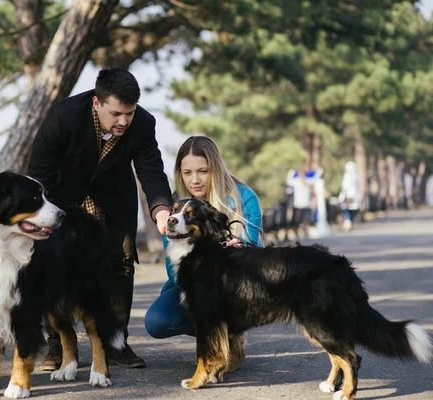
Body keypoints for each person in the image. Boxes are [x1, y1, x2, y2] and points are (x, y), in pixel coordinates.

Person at [27, 68, 172, 369]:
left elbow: (151, 171)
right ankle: (59, 347)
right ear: (97, 102)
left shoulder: (143, 123)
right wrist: (40, 217)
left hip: (114, 198)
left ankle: (115, 343)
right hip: (62, 200)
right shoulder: (62, 116)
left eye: (129, 113)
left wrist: (161, 210)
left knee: (121, 260)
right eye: (116, 113)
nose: (123, 121)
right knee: (55, 270)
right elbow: (40, 172)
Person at [144, 135, 263, 373]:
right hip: (191, 283)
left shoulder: (243, 198)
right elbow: (172, 260)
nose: (195, 180)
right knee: (157, 322)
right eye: (187, 173)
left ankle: (231, 339)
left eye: (203, 171)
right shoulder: (177, 204)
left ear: (215, 169)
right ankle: (215, 339)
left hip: (235, 287)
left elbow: (252, 251)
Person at [286, 167, 313, 235]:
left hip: (306, 204)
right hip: (298, 204)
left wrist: (319, 172)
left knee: (305, 219)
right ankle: (297, 230)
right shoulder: (296, 181)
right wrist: (291, 173)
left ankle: (304, 230)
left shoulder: (308, 181)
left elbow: (315, 179)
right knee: (297, 219)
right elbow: (289, 181)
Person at [338, 161, 361, 231]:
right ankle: (349, 223)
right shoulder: (356, 176)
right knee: (351, 210)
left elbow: (345, 187)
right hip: (354, 196)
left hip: (348, 196)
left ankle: (348, 223)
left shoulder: (348, 176)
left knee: (347, 210)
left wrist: (344, 196)